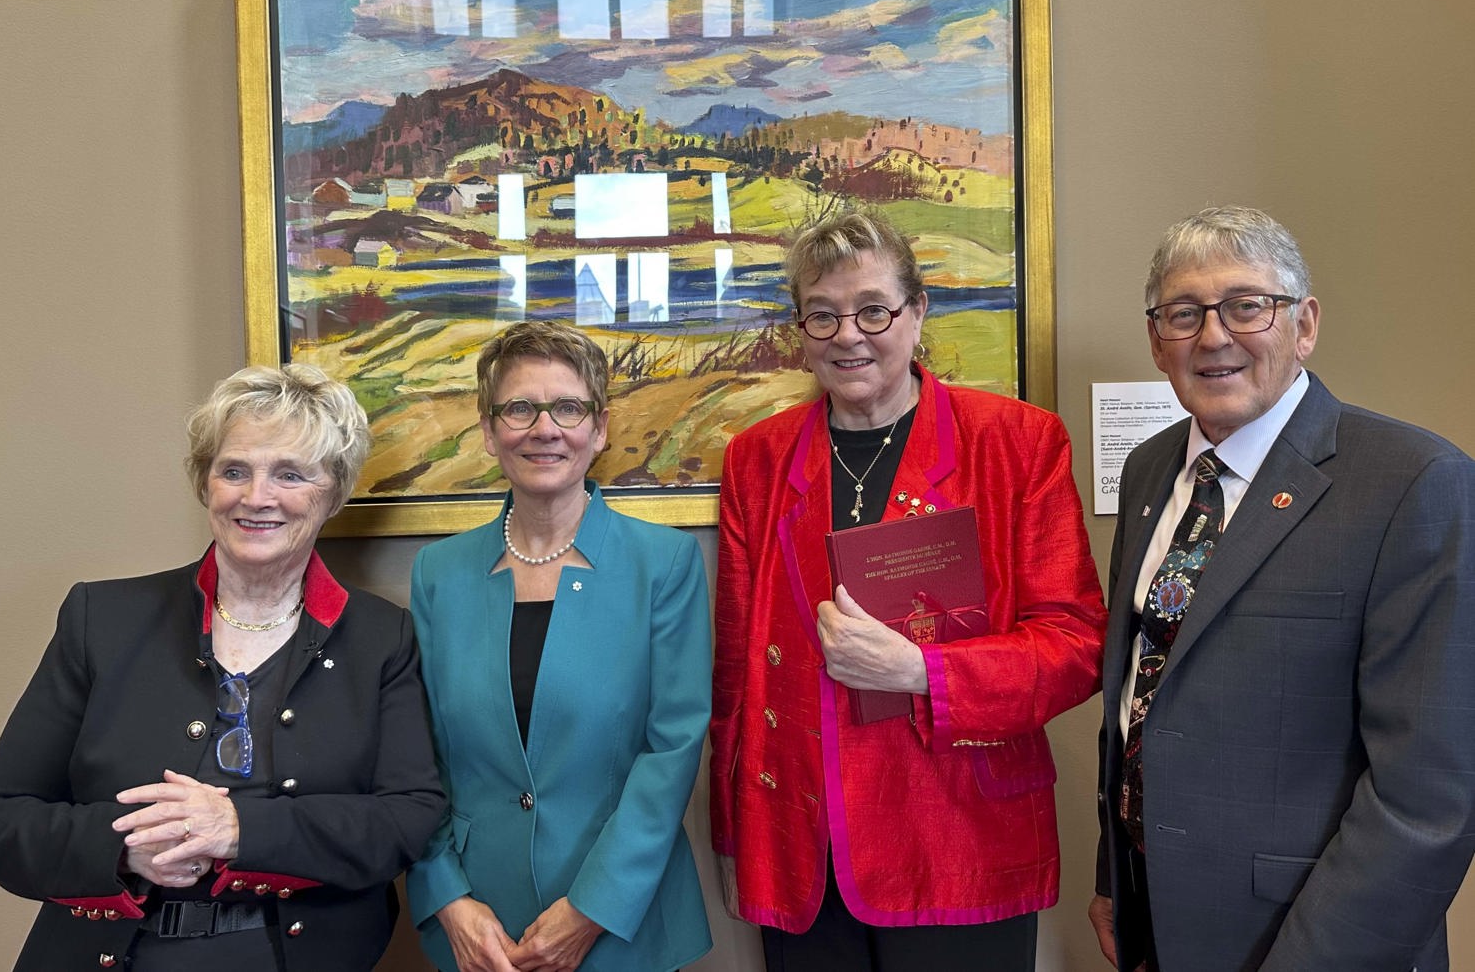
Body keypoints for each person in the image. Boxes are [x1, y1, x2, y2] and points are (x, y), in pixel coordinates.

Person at [710, 208, 1107, 971]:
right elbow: (737, 669)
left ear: (917, 311)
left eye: (872, 309)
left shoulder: (1018, 442)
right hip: (805, 848)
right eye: (821, 315)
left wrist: (923, 672)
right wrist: (738, 836)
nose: (847, 335)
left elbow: (1075, 642)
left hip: (958, 832)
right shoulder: (756, 460)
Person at [1090, 205, 1475, 971]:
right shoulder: (1149, 471)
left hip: (1312, 937)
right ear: (1156, 341)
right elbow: (1141, 690)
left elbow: (1428, 797)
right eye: (1183, 313)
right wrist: (1118, 880)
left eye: (1246, 305)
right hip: (1158, 917)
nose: (1213, 335)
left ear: (1303, 325)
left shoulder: (1415, 482)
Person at [0, 364, 445, 971]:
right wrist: (122, 848)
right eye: (234, 471)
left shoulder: (382, 637)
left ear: (332, 493)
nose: (257, 497)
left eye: (290, 475)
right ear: (205, 484)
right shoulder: (103, 617)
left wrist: (240, 827)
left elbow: (409, 816)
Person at [406, 320, 713, 972]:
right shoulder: (439, 572)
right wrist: (449, 898)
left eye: (568, 406)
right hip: (480, 935)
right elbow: (415, 754)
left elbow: (672, 751)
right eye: (519, 407)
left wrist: (591, 910)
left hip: (622, 926)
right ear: (490, 431)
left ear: (599, 428)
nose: (544, 428)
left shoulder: (663, 564)